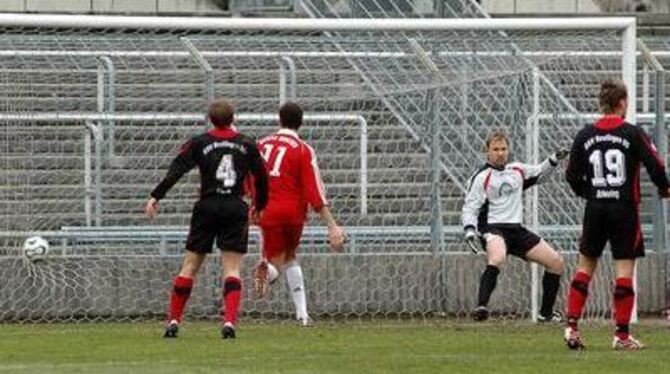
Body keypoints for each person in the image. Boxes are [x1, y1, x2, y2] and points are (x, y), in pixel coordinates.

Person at [145, 99, 269, 339]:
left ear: (211, 119)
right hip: (235, 206)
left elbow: (177, 168)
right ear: (233, 118)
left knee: (190, 265)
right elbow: (262, 177)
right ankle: (229, 322)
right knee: (231, 268)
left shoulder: (200, 142)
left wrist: (156, 196)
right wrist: (259, 205)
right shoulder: (247, 143)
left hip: (206, 206)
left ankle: (173, 320)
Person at [564, 79, 670, 350]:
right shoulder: (632, 133)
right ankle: (621, 336)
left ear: (602, 103)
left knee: (585, 266)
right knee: (624, 270)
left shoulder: (585, 134)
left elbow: (571, 175)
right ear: (622, 102)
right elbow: (655, 165)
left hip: (595, 208)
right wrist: (664, 188)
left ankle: (572, 327)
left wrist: (591, 192)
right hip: (624, 209)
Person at [251, 101, 346, 326]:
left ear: (279, 120)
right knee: (290, 256)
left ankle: (269, 271)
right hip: (293, 212)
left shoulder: (260, 145)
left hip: (265, 210)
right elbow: (314, 190)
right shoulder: (303, 149)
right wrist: (332, 225)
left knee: (275, 257)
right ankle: (302, 314)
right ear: (300, 123)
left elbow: (250, 178)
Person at [462, 130, 568, 322]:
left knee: (556, 263)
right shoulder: (481, 177)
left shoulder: (517, 170)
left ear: (508, 150)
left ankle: (545, 315)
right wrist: (469, 230)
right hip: (493, 229)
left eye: (504, 149)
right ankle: (481, 307)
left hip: (516, 230)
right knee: (498, 256)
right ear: (487, 152)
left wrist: (553, 159)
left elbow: (539, 174)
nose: (501, 153)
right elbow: (470, 207)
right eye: (495, 149)